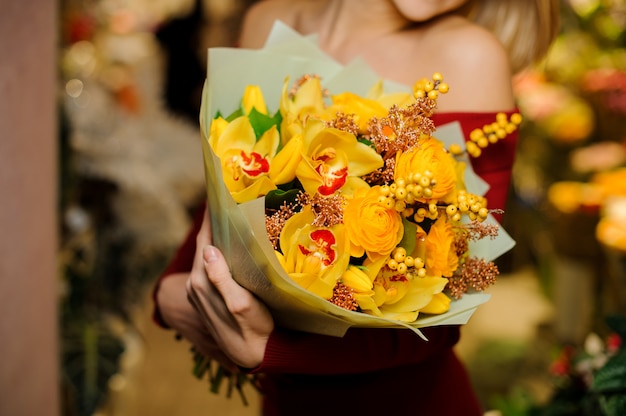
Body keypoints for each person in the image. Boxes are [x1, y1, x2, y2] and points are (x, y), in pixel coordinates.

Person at [154, 1, 560, 414]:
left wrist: (273, 348)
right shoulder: (266, 20)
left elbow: (447, 309)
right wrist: (174, 283)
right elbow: (232, 192)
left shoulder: (469, 56)